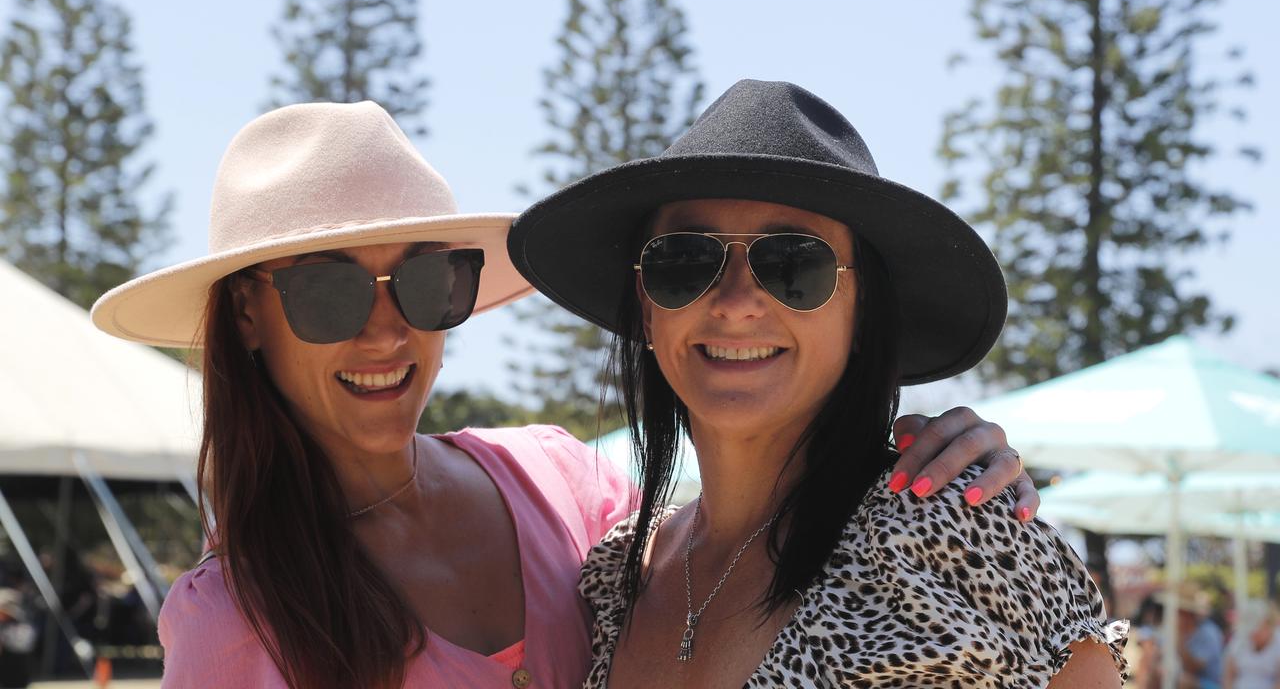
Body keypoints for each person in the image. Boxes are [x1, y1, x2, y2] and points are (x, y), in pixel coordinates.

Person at [91, 100, 1040, 688]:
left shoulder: (567, 496)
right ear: (247, 317)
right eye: (328, 290)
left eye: (427, 283)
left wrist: (942, 452)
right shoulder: (236, 617)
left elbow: (760, 518)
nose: (385, 332)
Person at [509, 79, 1130, 687]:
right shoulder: (616, 577)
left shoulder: (950, 540)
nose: (734, 303)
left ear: (863, 314)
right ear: (646, 306)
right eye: (686, 261)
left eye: (793, 264)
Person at [1223, 600, 1280, 689]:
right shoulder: (1239, 640)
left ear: (1268, 624)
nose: (1252, 634)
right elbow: (1228, 676)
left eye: (1256, 629)